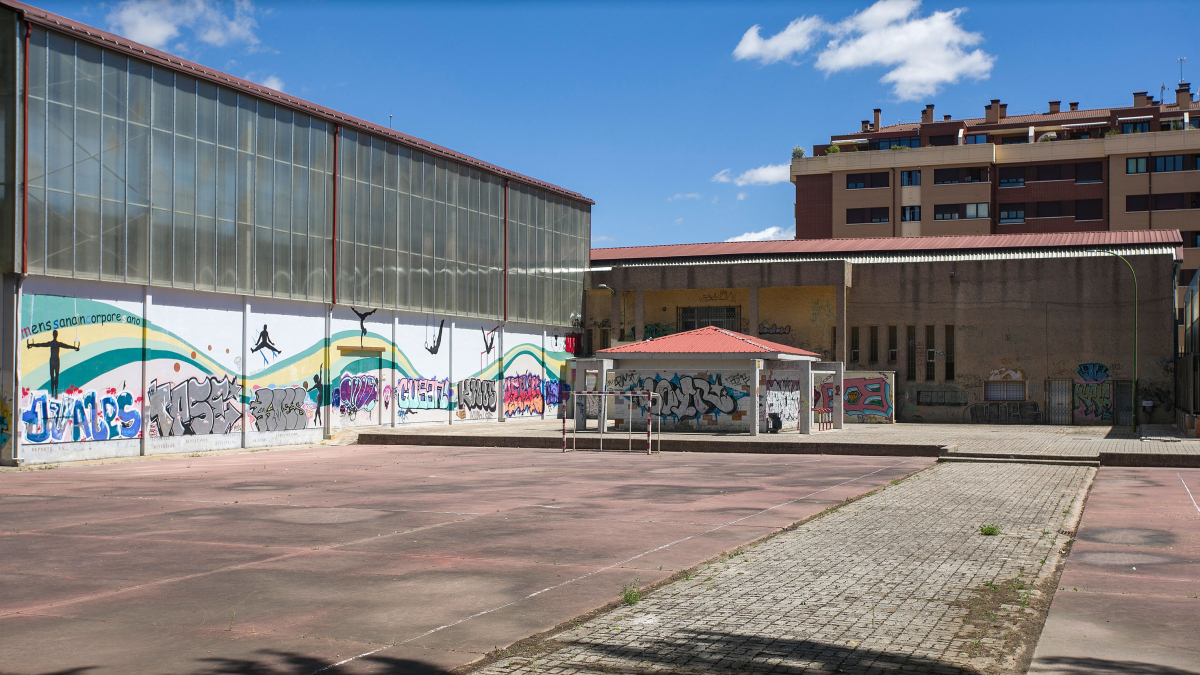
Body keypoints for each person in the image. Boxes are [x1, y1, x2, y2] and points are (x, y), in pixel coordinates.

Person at [27, 329, 80, 397]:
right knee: (56, 377)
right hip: (56, 361)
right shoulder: (58, 344)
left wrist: (31, 344)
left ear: (53, 335)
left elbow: (41, 344)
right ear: (56, 335)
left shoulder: (52, 343)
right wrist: (75, 347)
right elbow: (67, 346)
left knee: (53, 377)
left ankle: (53, 393)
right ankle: (55, 393)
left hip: (53, 361)